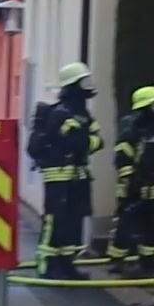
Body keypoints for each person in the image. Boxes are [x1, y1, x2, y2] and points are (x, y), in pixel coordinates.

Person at [33, 62, 103, 280]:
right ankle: (47, 264)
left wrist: (84, 141)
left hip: (77, 175)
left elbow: (97, 141)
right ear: (73, 85)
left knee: (74, 221)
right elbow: (72, 143)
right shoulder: (60, 113)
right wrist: (83, 141)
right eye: (84, 81)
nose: (88, 86)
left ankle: (67, 264)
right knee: (55, 219)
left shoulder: (83, 114)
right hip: (58, 175)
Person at [110, 85, 154, 276]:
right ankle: (117, 261)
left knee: (153, 223)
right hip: (133, 186)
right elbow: (122, 158)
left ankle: (149, 259)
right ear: (145, 108)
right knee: (126, 223)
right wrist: (131, 180)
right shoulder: (131, 130)